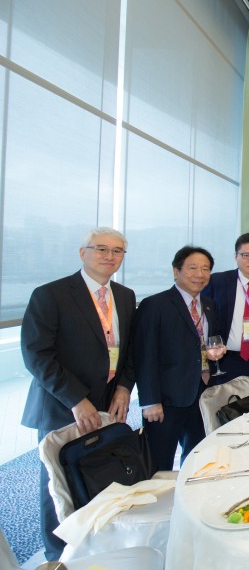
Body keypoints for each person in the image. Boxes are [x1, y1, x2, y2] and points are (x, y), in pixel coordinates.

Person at [20, 227, 136, 560]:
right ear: (82, 252)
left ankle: (96, 545)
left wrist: (124, 388)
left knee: (100, 472)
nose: (109, 256)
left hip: (108, 401)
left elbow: (131, 350)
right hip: (62, 404)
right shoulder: (51, 294)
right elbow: (37, 354)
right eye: (101, 249)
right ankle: (58, 556)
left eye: (117, 251)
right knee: (58, 485)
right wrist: (75, 399)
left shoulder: (125, 296)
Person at [134, 246, 218, 471]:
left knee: (197, 457)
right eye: (193, 268)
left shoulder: (209, 305)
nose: (199, 274)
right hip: (166, 399)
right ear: (176, 271)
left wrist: (215, 353)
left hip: (201, 392)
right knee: (159, 463)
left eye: (205, 269)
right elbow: (144, 354)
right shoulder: (155, 305)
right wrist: (150, 401)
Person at [201, 233, 249, 386]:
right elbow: (203, 316)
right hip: (223, 360)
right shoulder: (217, 281)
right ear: (235, 256)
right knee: (222, 401)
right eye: (246, 255)